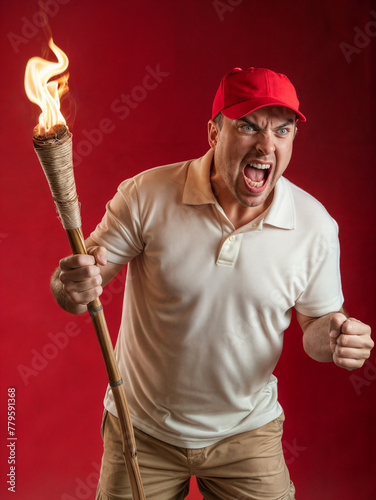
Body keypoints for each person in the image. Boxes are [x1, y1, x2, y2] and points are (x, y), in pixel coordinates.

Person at [51, 67, 373, 500]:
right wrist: (68, 284)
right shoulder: (146, 194)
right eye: (248, 126)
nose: (266, 144)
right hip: (143, 430)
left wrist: (335, 337)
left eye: (283, 129)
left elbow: (317, 325)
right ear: (213, 132)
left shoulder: (314, 225)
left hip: (247, 433)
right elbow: (83, 283)